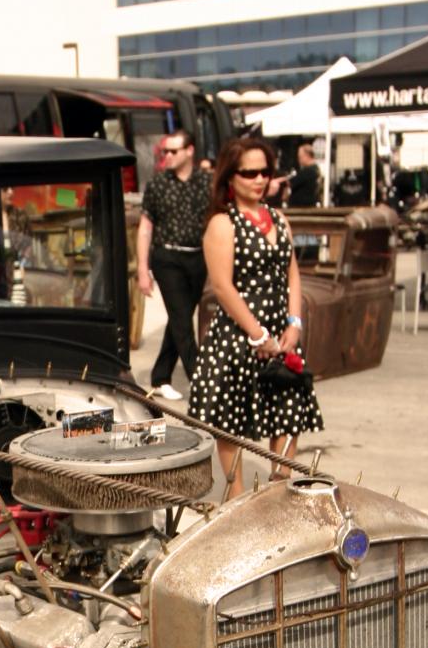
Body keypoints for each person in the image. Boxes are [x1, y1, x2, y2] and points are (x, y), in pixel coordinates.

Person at [189, 136, 323, 497]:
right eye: (249, 173)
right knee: (231, 419)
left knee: (289, 413)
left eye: (265, 172)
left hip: (281, 334)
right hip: (237, 335)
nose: (259, 179)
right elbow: (222, 286)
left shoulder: (279, 218)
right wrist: (257, 334)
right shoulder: (222, 223)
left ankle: (282, 493)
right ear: (230, 177)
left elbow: (292, 275)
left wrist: (294, 322)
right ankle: (236, 500)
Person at [136, 129, 212, 401]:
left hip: (198, 258)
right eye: (164, 151)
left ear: (189, 151)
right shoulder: (158, 184)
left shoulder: (206, 182)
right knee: (182, 320)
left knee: (179, 319)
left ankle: (160, 376)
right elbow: (145, 227)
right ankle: (201, 383)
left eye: (173, 151)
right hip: (167, 258)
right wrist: (142, 269)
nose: (167, 156)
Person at [285, 142, 323, 208]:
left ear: (307, 156)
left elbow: (290, 182)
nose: (299, 160)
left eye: (300, 157)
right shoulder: (315, 169)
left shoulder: (309, 171)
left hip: (302, 207)